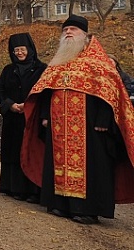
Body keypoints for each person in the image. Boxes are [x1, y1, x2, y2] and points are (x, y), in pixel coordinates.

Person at [22, 15, 134, 224]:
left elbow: (110, 93)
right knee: (58, 165)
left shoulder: (99, 62)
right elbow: (46, 91)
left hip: (91, 126)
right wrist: (45, 117)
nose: (68, 32)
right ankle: (61, 205)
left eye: (73, 29)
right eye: (65, 29)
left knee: (92, 167)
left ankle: (87, 210)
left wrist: (103, 120)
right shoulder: (59, 62)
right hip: (59, 125)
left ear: (85, 34)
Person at [0, 33, 46, 203]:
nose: (19, 53)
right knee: (13, 152)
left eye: (22, 49)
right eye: (16, 50)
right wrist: (10, 104)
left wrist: (28, 105)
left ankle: (32, 191)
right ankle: (13, 187)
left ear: (30, 49)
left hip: (32, 118)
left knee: (32, 152)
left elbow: (45, 92)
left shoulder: (42, 69)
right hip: (12, 118)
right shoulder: (8, 70)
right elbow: (0, 89)